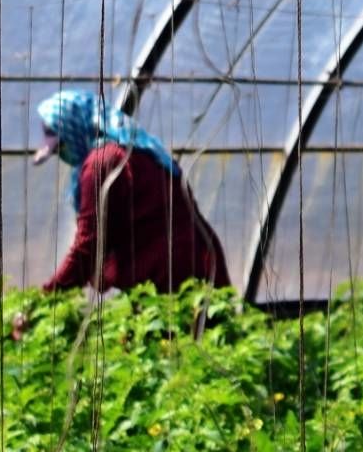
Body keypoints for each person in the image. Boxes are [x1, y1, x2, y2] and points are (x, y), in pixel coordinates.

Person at [30, 89, 230, 299]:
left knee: (179, 328)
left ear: (75, 131)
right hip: (200, 259)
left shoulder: (101, 164)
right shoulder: (139, 147)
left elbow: (88, 246)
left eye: (62, 147)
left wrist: (47, 298)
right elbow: (130, 229)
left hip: (171, 275)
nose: (64, 156)